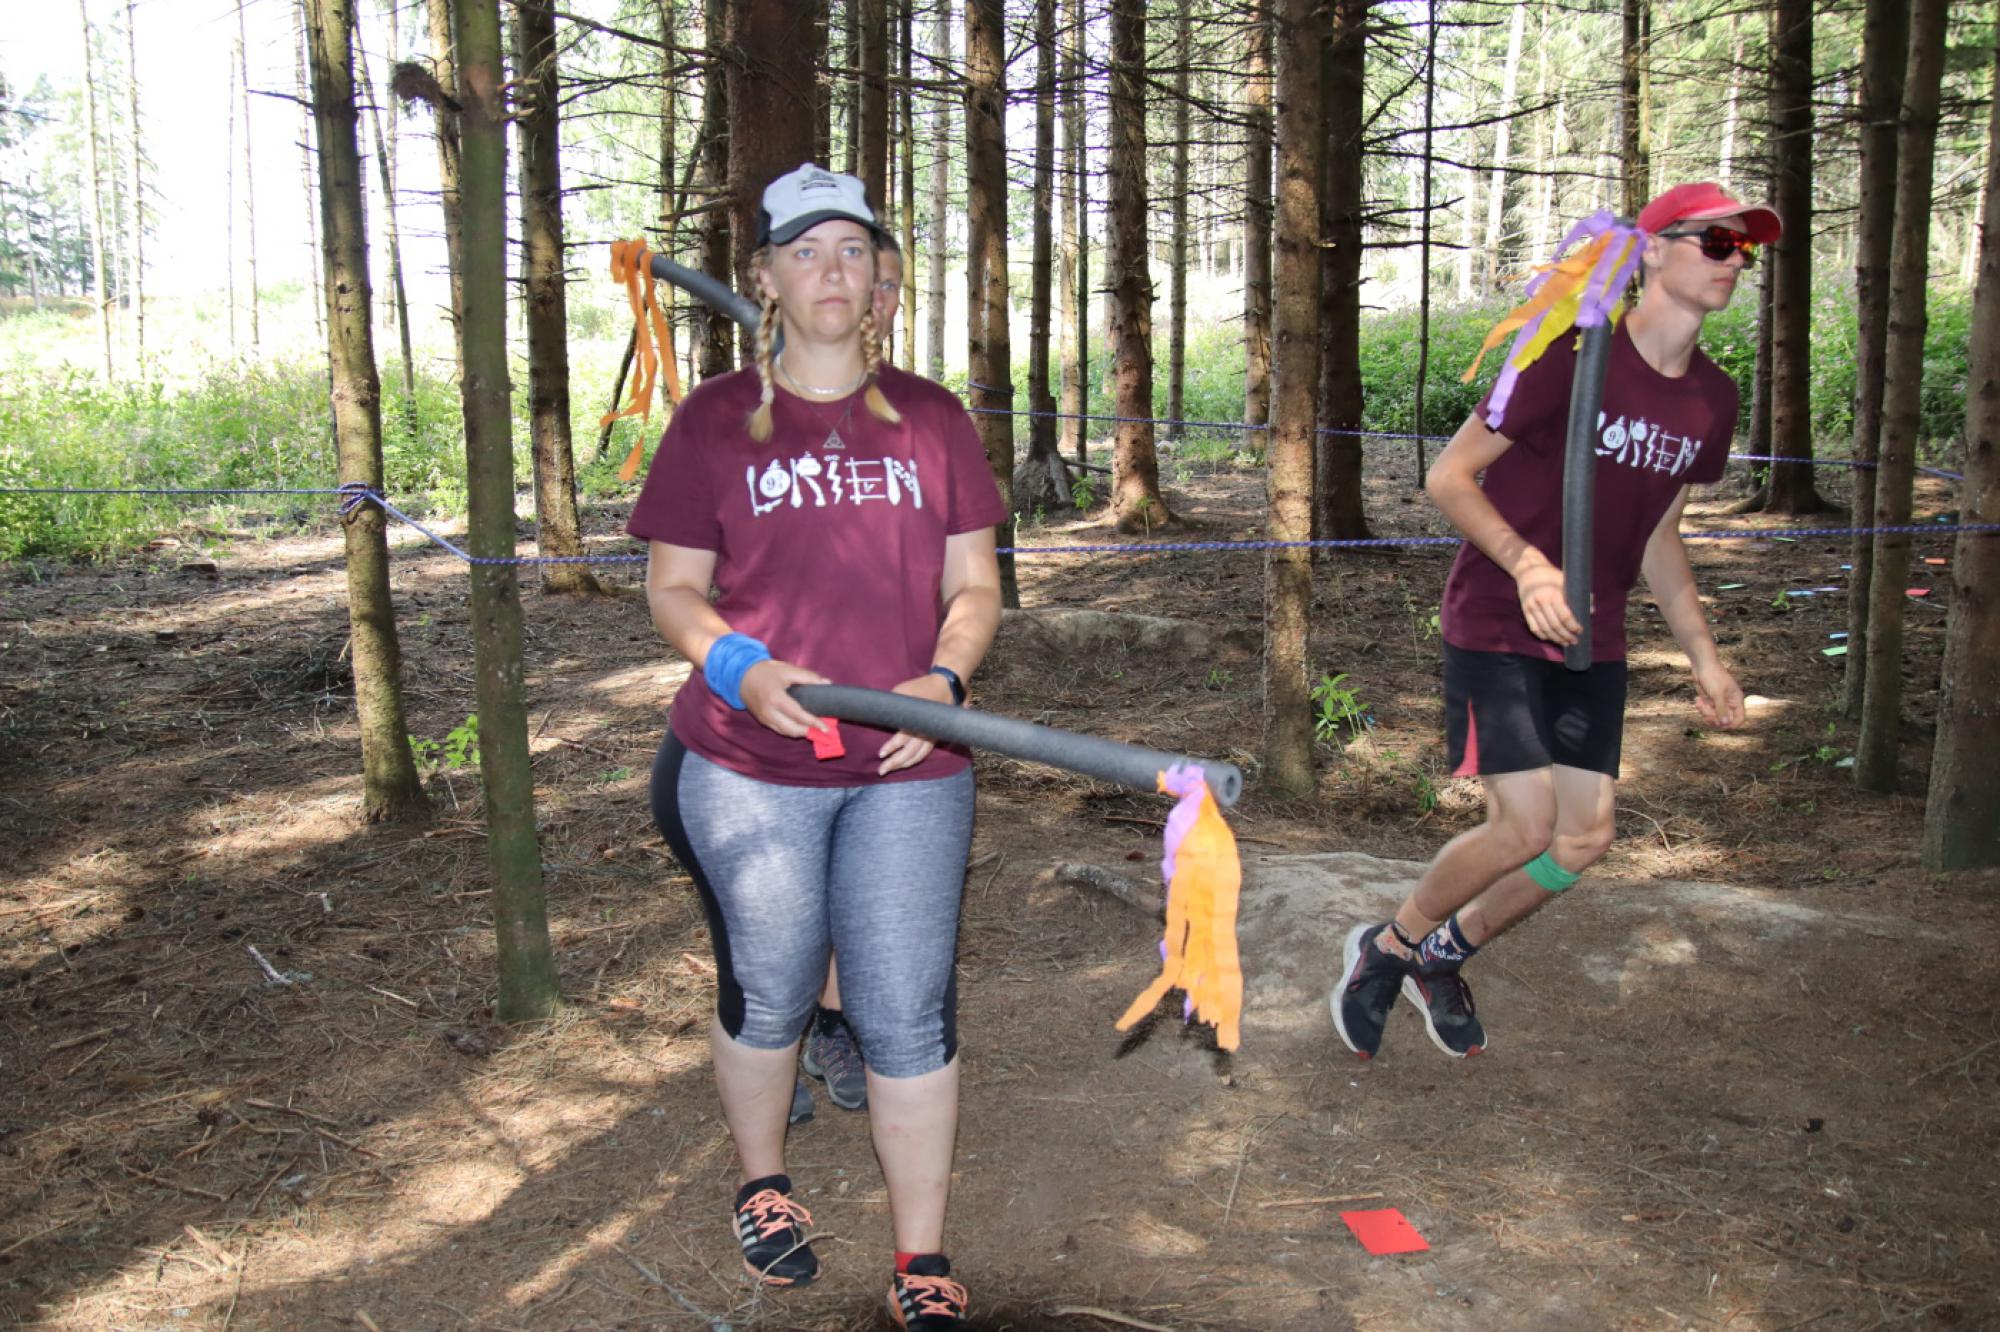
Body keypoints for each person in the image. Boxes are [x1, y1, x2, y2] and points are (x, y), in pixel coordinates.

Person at [631, 163, 1005, 1330]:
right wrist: (740, 667)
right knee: (774, 987)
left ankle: (920, 1255)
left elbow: (975, 586)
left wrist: (941, 684)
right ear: (766, 279)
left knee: (904, 1011)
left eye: (850, 249)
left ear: (878, 277)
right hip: (752, 766)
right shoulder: (711, 422)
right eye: (804, 251)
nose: (830, 271)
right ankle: (762, 1182)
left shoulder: (933, 420)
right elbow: (673, 590)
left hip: (910, 765)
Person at [1331, 182, 1774, 1061]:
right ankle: (1389, 946)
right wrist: (1529, 564)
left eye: (1746, 250)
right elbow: (1450, 476)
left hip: (1592, 636)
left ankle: (1445, 954)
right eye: (1716, 242)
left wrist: (1705, 657)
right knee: (1525, 825)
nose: (1734, 261)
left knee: (1584, 837)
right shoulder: (1567, 356)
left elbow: (1660, 535)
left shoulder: (1713, 401)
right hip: (1498, 616)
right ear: (1653, 249)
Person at [795, 226, 912, 1120]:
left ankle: (832, 1022)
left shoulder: (917, 421)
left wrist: (944, 674)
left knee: (862, 886)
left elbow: (955, 581)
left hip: (889, 709)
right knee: (782, 901)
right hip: (782, 707)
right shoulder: (767, 411)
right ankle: (779, 1029)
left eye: (889, 286)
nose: (876, 301)